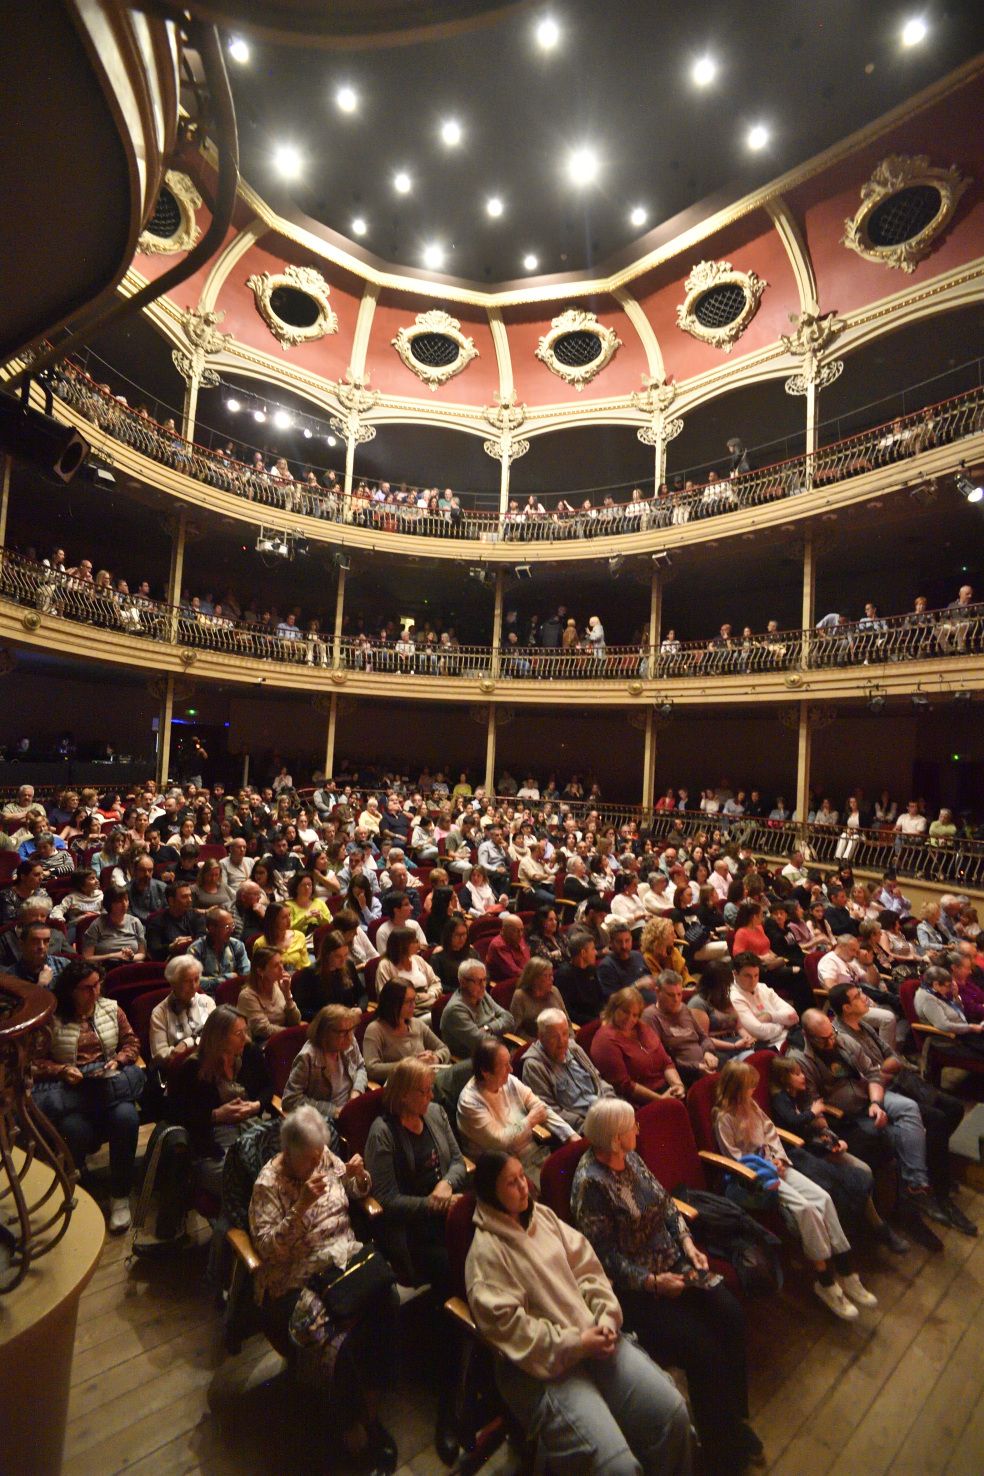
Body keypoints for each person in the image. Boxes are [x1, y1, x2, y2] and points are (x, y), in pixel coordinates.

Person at [465, 1150, 693, 1475]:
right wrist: (578, 1342)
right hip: (547, 1368)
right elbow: (515, 1332)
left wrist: (605, 1315)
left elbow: (587, 1268)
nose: (524, 1186)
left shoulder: (541, 1216)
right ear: (491, 1194)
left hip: (594, 1337)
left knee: (672, 1415)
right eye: (511, 1182)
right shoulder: (486, 1256)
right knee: (617, 1467)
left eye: (522, 1176)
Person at [572, 1098, 758, 1475]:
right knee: (702, 1349)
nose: (638, 1131)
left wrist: (688, 1245)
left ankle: (734, 1419)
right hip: (639, 1286)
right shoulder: (591, 1182)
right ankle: (718, 1443)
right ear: (613, 1137)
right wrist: (654, 1282)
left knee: (731, 1316)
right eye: (631, 1127)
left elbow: (667, 1206)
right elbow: (602, 1257)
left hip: (675, 1262)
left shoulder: (632, 1159)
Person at [248, 1105, 399, 1471]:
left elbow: (351, 1188)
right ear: (289, 1152)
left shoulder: (322, 1156)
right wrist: (300, 1206)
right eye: (310, 1159)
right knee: (334, 1341)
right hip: (295, 1278)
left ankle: (371, 1405)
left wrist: (359, 1178)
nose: (318, 1164)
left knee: (387, 1301)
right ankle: (350, 1431)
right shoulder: (269, 1185)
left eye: (321, 1155)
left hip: (343, 1259)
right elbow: (268, 1250)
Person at [713, 1061, 875, 1321]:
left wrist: (779, 1158)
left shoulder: (751, 1105)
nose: (754, 1091)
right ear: (735, 1088)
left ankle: (847, 1272)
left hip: (777, 1164)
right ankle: (825, 1281)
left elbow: (770, 1133)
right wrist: (768, 1167)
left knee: (823, 1198)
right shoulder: (724, 1118)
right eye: (749, 1087)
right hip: (759, 1177)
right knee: (806, 1208)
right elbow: (734, 1157)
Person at [821, 984, 975, 1234]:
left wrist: (886, 1067)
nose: (864, 998)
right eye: (858, 996)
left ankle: (932, 1168)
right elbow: (867, 1077)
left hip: (899, 1080)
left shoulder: (865, 1025)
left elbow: (891, 1056)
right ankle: (938, 1192)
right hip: (883, 1091)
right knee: (936, 1118)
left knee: (954, 1108)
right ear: (846, 1007)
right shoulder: (841, 1037)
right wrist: (884, 1069)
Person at [796, 1007, 950, 1247]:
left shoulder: (844, 1041)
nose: (831, 1041)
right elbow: (813, 1104)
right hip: (845, 1113)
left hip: (869, 1096)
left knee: (910, 1109)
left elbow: (872, 1074)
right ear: (807, 1036)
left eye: (832, 1034)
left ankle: (916, 1183)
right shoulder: (802, 1060)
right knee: (896, 1136)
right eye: (823, 1039)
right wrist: (826, 1133)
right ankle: (910, 1203)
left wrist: (877, 1104)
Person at [31, 959, 144, 1231]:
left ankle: (119, 1195)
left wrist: (118, 1060)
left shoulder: (110, 1009)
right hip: (72, 1086)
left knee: (126, 1117)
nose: (94, 993)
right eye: (86, 988)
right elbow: (34, 1062)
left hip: (105, 1081)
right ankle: (79, 1183)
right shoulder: (53, 1018)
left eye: (97, 986)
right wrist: (61, 1070)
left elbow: (132, 1042)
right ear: (70, 990)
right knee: (74, 1128)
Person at [767, 1056, 905, 1250]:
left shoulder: (801, 1094)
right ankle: (877, 1229)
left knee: (863, 1168)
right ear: (784, 1078)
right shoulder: (780, 1099)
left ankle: (873, 1224)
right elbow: (794, 1122)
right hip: (800, 1153)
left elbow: (816, 1126)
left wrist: (831, 1138)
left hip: (817, 1144)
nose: (803, 1076)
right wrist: (814, 1113)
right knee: (852, 1178)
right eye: (797, 1074)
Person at [168, 1004, 272, 1195]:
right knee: (237, 1177)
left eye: (245, 1031)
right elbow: (177, 1114)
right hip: (212, 1138)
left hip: (250, 1126)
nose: (245, 1038)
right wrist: (215, 1115)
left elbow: (267, 1087)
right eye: (238, 1033)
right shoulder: (194, 1068)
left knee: (274, 1168)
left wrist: (256, 1105)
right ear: (219, 1037)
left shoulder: (249, 1053)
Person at [457, 1038, 575, 1186]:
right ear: (486, 1072)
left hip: (531, 1155)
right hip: (499, 1172)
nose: (511, 1070)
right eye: (505, 1065)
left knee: (569, 1177)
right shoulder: (470, 1102)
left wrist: (570, 1135)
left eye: (509, 1063)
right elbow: (500, 1141)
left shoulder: (509, 1081)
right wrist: (530, 1120)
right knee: (556, 1190)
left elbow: (541, 1108)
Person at [521, 1008, 614, 1132]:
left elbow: (598, 1079)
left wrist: (611, 1101)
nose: (562, 1042)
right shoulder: (534, 1066)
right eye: (554, 1037)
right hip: (582, 1126)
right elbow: (549, 1111)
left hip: (605, 1109)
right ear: (541, 1037)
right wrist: (585, 1125)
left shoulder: (574, 1047)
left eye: (565, 1033)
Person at [282, 1004, 367, 1134]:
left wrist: (356, 1092)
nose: (350, 1037)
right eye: (343, 1033)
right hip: (326, 1118)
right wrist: (333, 1110)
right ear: (326, 1033)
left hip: (353, 1105)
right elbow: (290, 1099)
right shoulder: (307, 1057)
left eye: (352, 1030)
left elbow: (361, 1067)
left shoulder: (349, 1041)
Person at [591, 987, 686, 1103]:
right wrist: (661, 1100)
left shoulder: (641, 1027)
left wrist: (677, 1085)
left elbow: (666, 1063)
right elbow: (624, 1086)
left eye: (635, 1015)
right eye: (625, 1012)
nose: (630, 1019)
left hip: (665, 1090)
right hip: (640, 1101)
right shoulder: (605, 1040)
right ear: (614, 1009)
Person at [644, 970, 718, 1084]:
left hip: (705, 1063)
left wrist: (708, 1052)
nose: (676, 1000)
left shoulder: (683, 1008)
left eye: (679, 994)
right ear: (657, 992)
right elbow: (663, 1058)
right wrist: (696, 1067)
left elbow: (703, 1037)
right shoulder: (650, 1016)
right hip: (683, 1073)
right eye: (671, 995)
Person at [148, 954, 215, 1069]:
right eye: (187, 981)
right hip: (180, 1070)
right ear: (173, 983)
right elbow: (159, 1055)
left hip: (210, 1064)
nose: (194, 986)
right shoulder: (160, 1013)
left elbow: (216, 1037)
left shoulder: (207, 1002)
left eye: (196, 979)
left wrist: (187, 1043)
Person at [440, 957, 514, 1059]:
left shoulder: (482, 995)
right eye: (478, 981)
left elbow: (509, 1019)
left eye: (484, 980)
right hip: (473, 1060)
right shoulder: (455, 1010)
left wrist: (488, 1028)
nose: (483, 985)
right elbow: (481, 1042)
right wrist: (499, 1032)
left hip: (494, 1050)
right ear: (463, 982)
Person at [689, 959, 757, 1060]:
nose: (727, 989)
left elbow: (739, 1027)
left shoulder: (724, 998)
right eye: (724, 985)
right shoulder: (698, 1003)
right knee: (749, 1061)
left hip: (738, 1043)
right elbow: (704, 1039)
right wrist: (734, 1046)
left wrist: (747, 1038)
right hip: (718, 1049)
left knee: (759, 1057)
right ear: (711, 984)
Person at [729, 953, 798, 1050]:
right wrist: (783, 1025)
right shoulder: (734, 997)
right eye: (747, 976)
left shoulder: (762, 987)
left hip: (790, 1036)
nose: (753, 981)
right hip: (768, 1047)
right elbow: (759, 1031)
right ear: (735, 974)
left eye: (756, 975)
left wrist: (770, 1016)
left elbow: (794, 1016)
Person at [293, 929, 364, 1019]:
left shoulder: (348, 965)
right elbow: (301, 1009)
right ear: (327, 955)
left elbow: (362, 994)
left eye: (346, 955)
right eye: (338, 956)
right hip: (324, 1025)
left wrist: (360, 1008)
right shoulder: (310, 973)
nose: (343, 960)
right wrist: (326, 1016)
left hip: (348, 1018)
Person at [374, 924, 442, 1015]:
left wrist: (431, 994)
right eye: (414, 942)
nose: (419, 944)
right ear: (402, 945)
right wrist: (420, 997)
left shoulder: (418, 959)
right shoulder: (385, 966)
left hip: (429, 1004)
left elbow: (435, 982)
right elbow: (387, 997)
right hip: (404, 1013)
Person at [238, 945, 302, 1041]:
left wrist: (287, 994)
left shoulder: (278, 985)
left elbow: (295, 1020)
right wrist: (293, 1032)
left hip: (283, 1038)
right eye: (276, 965)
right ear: (260, 971)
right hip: (262, 1044)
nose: (282, 969)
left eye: (282, 963)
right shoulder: (247, 996)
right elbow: (263, 1030)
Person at [188, 906, 249, 993]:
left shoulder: (237, 945)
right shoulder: (196, 949)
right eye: (227, 927)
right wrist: (228, 978)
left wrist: (211, 980)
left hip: (233, 994)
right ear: (211, 928)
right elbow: (194, 982)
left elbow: (246, 975)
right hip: (206, 997)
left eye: (232, 925)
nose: (232, 930)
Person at [81, 884, 147, 963]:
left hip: (131, 964)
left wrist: (131, 957)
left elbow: (142, 954)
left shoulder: (135, 922)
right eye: (119, 901)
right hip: (106, 966)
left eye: (126, 900)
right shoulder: (97, 924)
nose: (124, 904)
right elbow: (87, 957)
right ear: (109, 904)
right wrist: (113, 956)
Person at [555, 929, 605, 1025]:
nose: (595, 952)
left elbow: (601, 997)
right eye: (593, 949)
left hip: (598, 1018)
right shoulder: (564, 975)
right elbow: (569, 1012)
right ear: (583, 953)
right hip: (583, 1023)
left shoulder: (591, 969)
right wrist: (595, 1021)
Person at [146, 880, 206, 960]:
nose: (190, 900)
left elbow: (203, 939)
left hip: (195, 959)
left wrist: (187, 941)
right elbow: (154, 951)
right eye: (184, 897)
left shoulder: (196, 916)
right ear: (171, 901)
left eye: (190, 896)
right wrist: (171, 947)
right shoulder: (157, 922)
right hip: (170, 963)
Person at [509, 957, 567, 1039]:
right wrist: (539, 1045)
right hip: (535, 1044)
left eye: (552, 975)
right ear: (534, 978)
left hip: (562, 1040)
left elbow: (566, 1019)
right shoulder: (520, 996)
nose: (552, 979)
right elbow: (516, 1030)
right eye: (547, 976)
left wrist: (570, 1038)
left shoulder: (554, 991)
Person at [252, 900, 309, 974]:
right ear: (273, 920)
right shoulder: (260, 943)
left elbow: (305, 966)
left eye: (289, 915)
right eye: (284, 917)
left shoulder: (299, 936)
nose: (289, 920)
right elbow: (257, 973)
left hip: (297, 980)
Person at [597, 922, 650, 998]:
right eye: (619, 942)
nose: (624, 946)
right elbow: (614, 999)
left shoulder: (637, 955)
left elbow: (649, 977)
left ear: (631, 940)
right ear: (611, 943)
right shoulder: (606, 966)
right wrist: (636, 986)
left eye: (627, 940)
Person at [430, 914, 480, 992]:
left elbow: (485, 973)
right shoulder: (438, 958)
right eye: (458, 935)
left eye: (464, 934)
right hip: (453, 996)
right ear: (449, 935)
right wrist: (462, 990)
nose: (462, 939)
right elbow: (437, 984)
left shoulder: (472, 952)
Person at [485, 912, 531, 986]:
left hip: (523, 979)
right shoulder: (498, 945)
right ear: (504, 930)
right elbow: (513, 971)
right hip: (505, 984)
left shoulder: (519, 938)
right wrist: (533, 975)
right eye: (516, 930)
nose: (520, 934)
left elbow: (527, 961)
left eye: (522, 930)